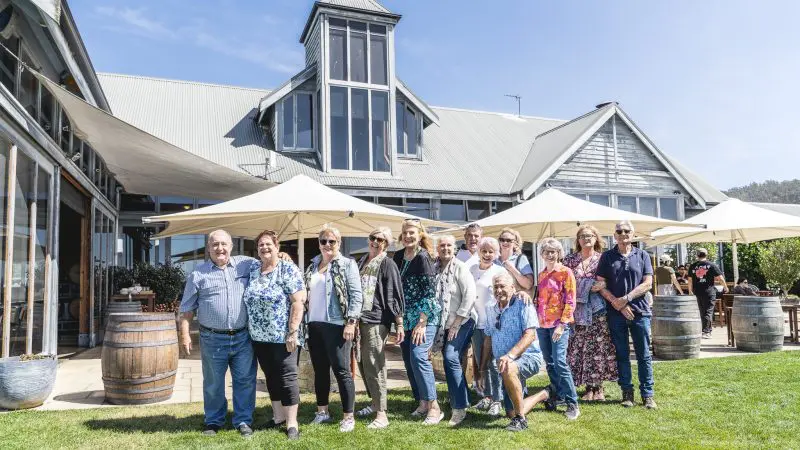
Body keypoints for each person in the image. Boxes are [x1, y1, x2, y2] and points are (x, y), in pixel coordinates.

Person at [178, 229, 257, 437]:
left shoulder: (246, 265)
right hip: (212, 338)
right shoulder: (198, 274)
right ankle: (213, 421)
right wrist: (185, 335)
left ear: (231, 246)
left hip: (243, 337)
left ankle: (243, 420)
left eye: (224, 244)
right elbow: (187, 309)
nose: (220, 248)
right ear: (208, 249)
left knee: (245, 381)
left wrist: (282, 255)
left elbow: (269, 260)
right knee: (213, 384)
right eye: (215, 245)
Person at [243, 230, 306, 440]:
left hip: (283, 336)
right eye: (260, 245)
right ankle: (278, 416)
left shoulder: (287, 268)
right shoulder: (253, 269)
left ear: (277, 246)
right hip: (259, 337)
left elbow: (298, 301)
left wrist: (293, 331)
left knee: (287, 377)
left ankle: (292, 423)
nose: (264, 248)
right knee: (270, 376)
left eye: (268, 244)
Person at [304, 225, 364, 432]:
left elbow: (357, 295)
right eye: (323, 241)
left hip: (337, 324)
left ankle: (348, 417)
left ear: (339, 243)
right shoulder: (312, 265)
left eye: (332, 241)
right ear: (318, 243)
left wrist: (351, 322)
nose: (327, 245)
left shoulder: (348, 264)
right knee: (320, 371)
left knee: (342, 371)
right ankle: (322, 412)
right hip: (314, 324)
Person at [596, 220, 657, 409]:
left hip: (640, 312)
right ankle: (627, 394)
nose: (623, 234)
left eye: (627, 231)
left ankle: (647, 395)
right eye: (619, 231)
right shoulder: (607, 257)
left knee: (644, 354)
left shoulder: (643, 255)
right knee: (622, 354)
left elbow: (648, 283)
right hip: (616, 313)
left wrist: (627, 298)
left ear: (633, 234)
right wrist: (618, 304)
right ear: (614, 235)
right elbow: (600, 285)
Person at [480, 272, 547, 432]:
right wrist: (482, 368)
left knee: (509, 368)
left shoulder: (523, 303)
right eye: (496, 287)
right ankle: (544, 394)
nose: (499, 290)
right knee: (511, 411)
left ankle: (521, 420)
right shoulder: (491, 309)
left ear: (512, 288)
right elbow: (488, 339)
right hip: (504, 363)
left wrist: (510, 356)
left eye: (502, 286)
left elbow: (530, 335)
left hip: (528, 357)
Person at [393, 218, 443, 424]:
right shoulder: (397, 256)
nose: (408, 236)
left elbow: (430, 294)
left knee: (419, 356)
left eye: (412, 233)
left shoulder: (423, 258)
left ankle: (434, 406)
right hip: (405, 318)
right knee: (409, 360)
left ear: (420, 234)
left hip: (425, 315)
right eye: (405, 233)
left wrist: (422, 322)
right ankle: (422, 402)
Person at [354, 227, 404, 429]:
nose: (375, 241)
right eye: (373, 237)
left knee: (374, 364)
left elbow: (395, 294)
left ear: (387, 244)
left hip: (376, 320)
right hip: (358, 319)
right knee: (362, 363)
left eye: (381, 240)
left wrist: (399, 323)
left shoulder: (387, 263)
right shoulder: (362, 261)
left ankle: (382, 414)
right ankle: (374, 402)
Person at [563, 225, 618, 402]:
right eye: (583, 236)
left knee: (599, 348)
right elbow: (564, 282)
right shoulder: (570, 260)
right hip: (577, 312)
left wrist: (603, 284)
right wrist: (589, 285)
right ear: (578, 240)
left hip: (598, 310)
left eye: (590, 236)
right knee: (581, 348)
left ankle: (599, 387)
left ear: (596, 238)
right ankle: (588, 387)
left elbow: (612, 279)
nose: (586, 238)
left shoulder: (604, 258)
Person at [432, 234, 477, 426]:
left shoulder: (460, 267)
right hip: (445, 324)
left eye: (449, 245)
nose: (445, 248)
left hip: (464, 320)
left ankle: (459, 408)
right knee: (451, 359)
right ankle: (464, 396)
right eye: (442, 245)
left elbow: (470, 296)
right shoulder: (435, 269)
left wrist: (457, 323)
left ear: (455, 248)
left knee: (450, 356)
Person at [535, 238, 580, 420]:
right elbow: (540, 299)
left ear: (559, 253)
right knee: (550, 363)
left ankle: (572, 403)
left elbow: (570, 300)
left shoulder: (565, 273)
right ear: (542, 255)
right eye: (547, 251)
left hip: (558, 326)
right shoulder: (542, 274)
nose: (550, 254)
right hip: (542, 325)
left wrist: (562, 325)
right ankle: (559, 395)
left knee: (560, 362)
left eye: (553, 251)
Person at [469, 237, 509, 417]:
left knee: (494, 363)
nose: (487, 254)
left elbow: (508, 294)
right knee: (481, 362)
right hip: (477, 323)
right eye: (484, 251)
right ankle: (487, 396)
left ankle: (497, 400)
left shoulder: (499, 270)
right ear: (478, 251)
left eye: (491, 251)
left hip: (494, 324)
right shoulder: (470, 269)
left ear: (496, 253)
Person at [687, 248, 728, 339]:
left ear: (697, 255)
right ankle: (706, 332)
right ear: (706, 255)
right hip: (709, 291)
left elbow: (689, 280)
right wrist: (725, 287)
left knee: (702, 311)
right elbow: (720, 278)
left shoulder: (693, 266)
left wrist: (690, 291)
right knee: (708, 311)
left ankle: (704, 330)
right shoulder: (711, 265)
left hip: (697, 291)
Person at [496, 227, 534, 292]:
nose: (505, 242)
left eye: (508, 240)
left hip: (514, 299)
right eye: (502, 239)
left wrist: (512, 269)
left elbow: (528, 285)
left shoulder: (520, 259)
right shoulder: (494, 259)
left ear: (515, 243)